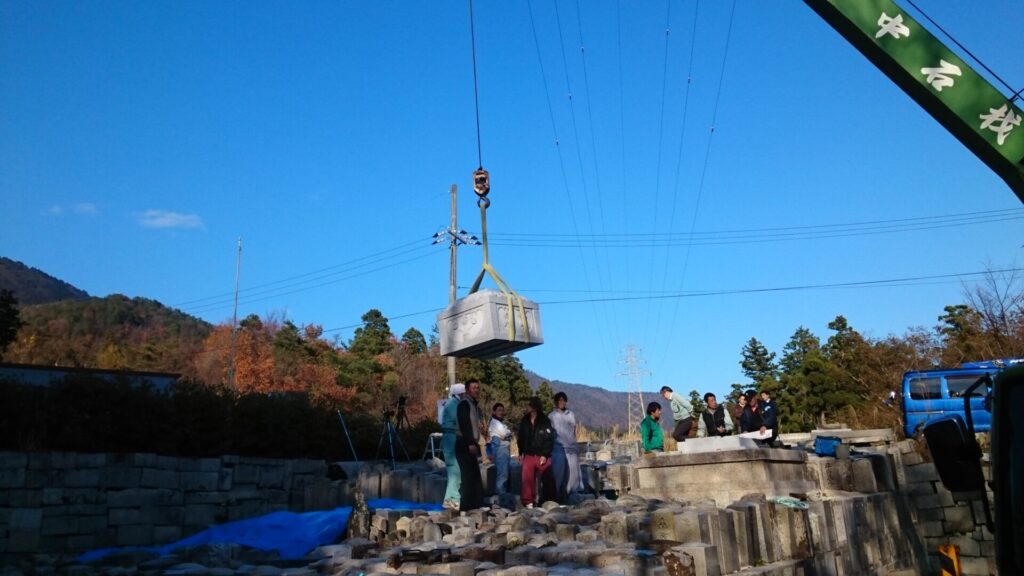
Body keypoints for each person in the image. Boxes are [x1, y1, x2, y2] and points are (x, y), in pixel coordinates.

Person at [517, 396, 554, 509]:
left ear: (534, 407)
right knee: (527, 478)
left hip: (542, 454)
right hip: (528, 453)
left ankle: (550, 500)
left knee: (548, 476)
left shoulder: (545, 420)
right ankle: (528, 501)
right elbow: (521, 437)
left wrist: (545, 454)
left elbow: (549, 438)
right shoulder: (525, 420)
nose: (526, 407)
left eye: (528, 405)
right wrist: (520, 452)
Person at [455, 379, 485, 511]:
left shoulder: (473, 405)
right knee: (467, 476)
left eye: (478, 388)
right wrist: (470, 443)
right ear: (467, 390)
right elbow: (464, 423)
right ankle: (466, 506)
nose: (476, 390)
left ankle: (476, 504)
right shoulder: (464, 404)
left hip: (472, 442)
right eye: (474, 388)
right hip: (465, 443)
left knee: (475, 476)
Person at [548, 391, 581, 503]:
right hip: (558, 449)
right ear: (556, 402)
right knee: (559, 474)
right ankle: (557, 498)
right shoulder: (551, 416)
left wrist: (575, 443)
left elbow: (574, 429)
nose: (562, 402)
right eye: (559, 400)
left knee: (573, 476)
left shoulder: (570, 414)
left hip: (571, 448)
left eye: (563, 400)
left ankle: (572, 498)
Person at [440, 383, 465, 510]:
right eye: (463, 393)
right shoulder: (453, 404)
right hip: (451, 437)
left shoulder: (452, 403)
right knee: (455, 470)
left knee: (454, 470)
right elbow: (459, 420)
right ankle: (453, 498)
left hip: (451, 437)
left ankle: (449, 499)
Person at [488, 402, 513, 495]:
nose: (501, 412)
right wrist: (507, 434)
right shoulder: (495, 423)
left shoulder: (501, 424)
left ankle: (501, 496)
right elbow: (504, 434)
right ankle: (500, 497)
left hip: (504, 450)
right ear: (494, 412)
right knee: (502, 475)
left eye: (502, 410)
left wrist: (508, 434)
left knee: (504, 474)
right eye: (499, 410)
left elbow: (509, 434)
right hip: (500, 450)